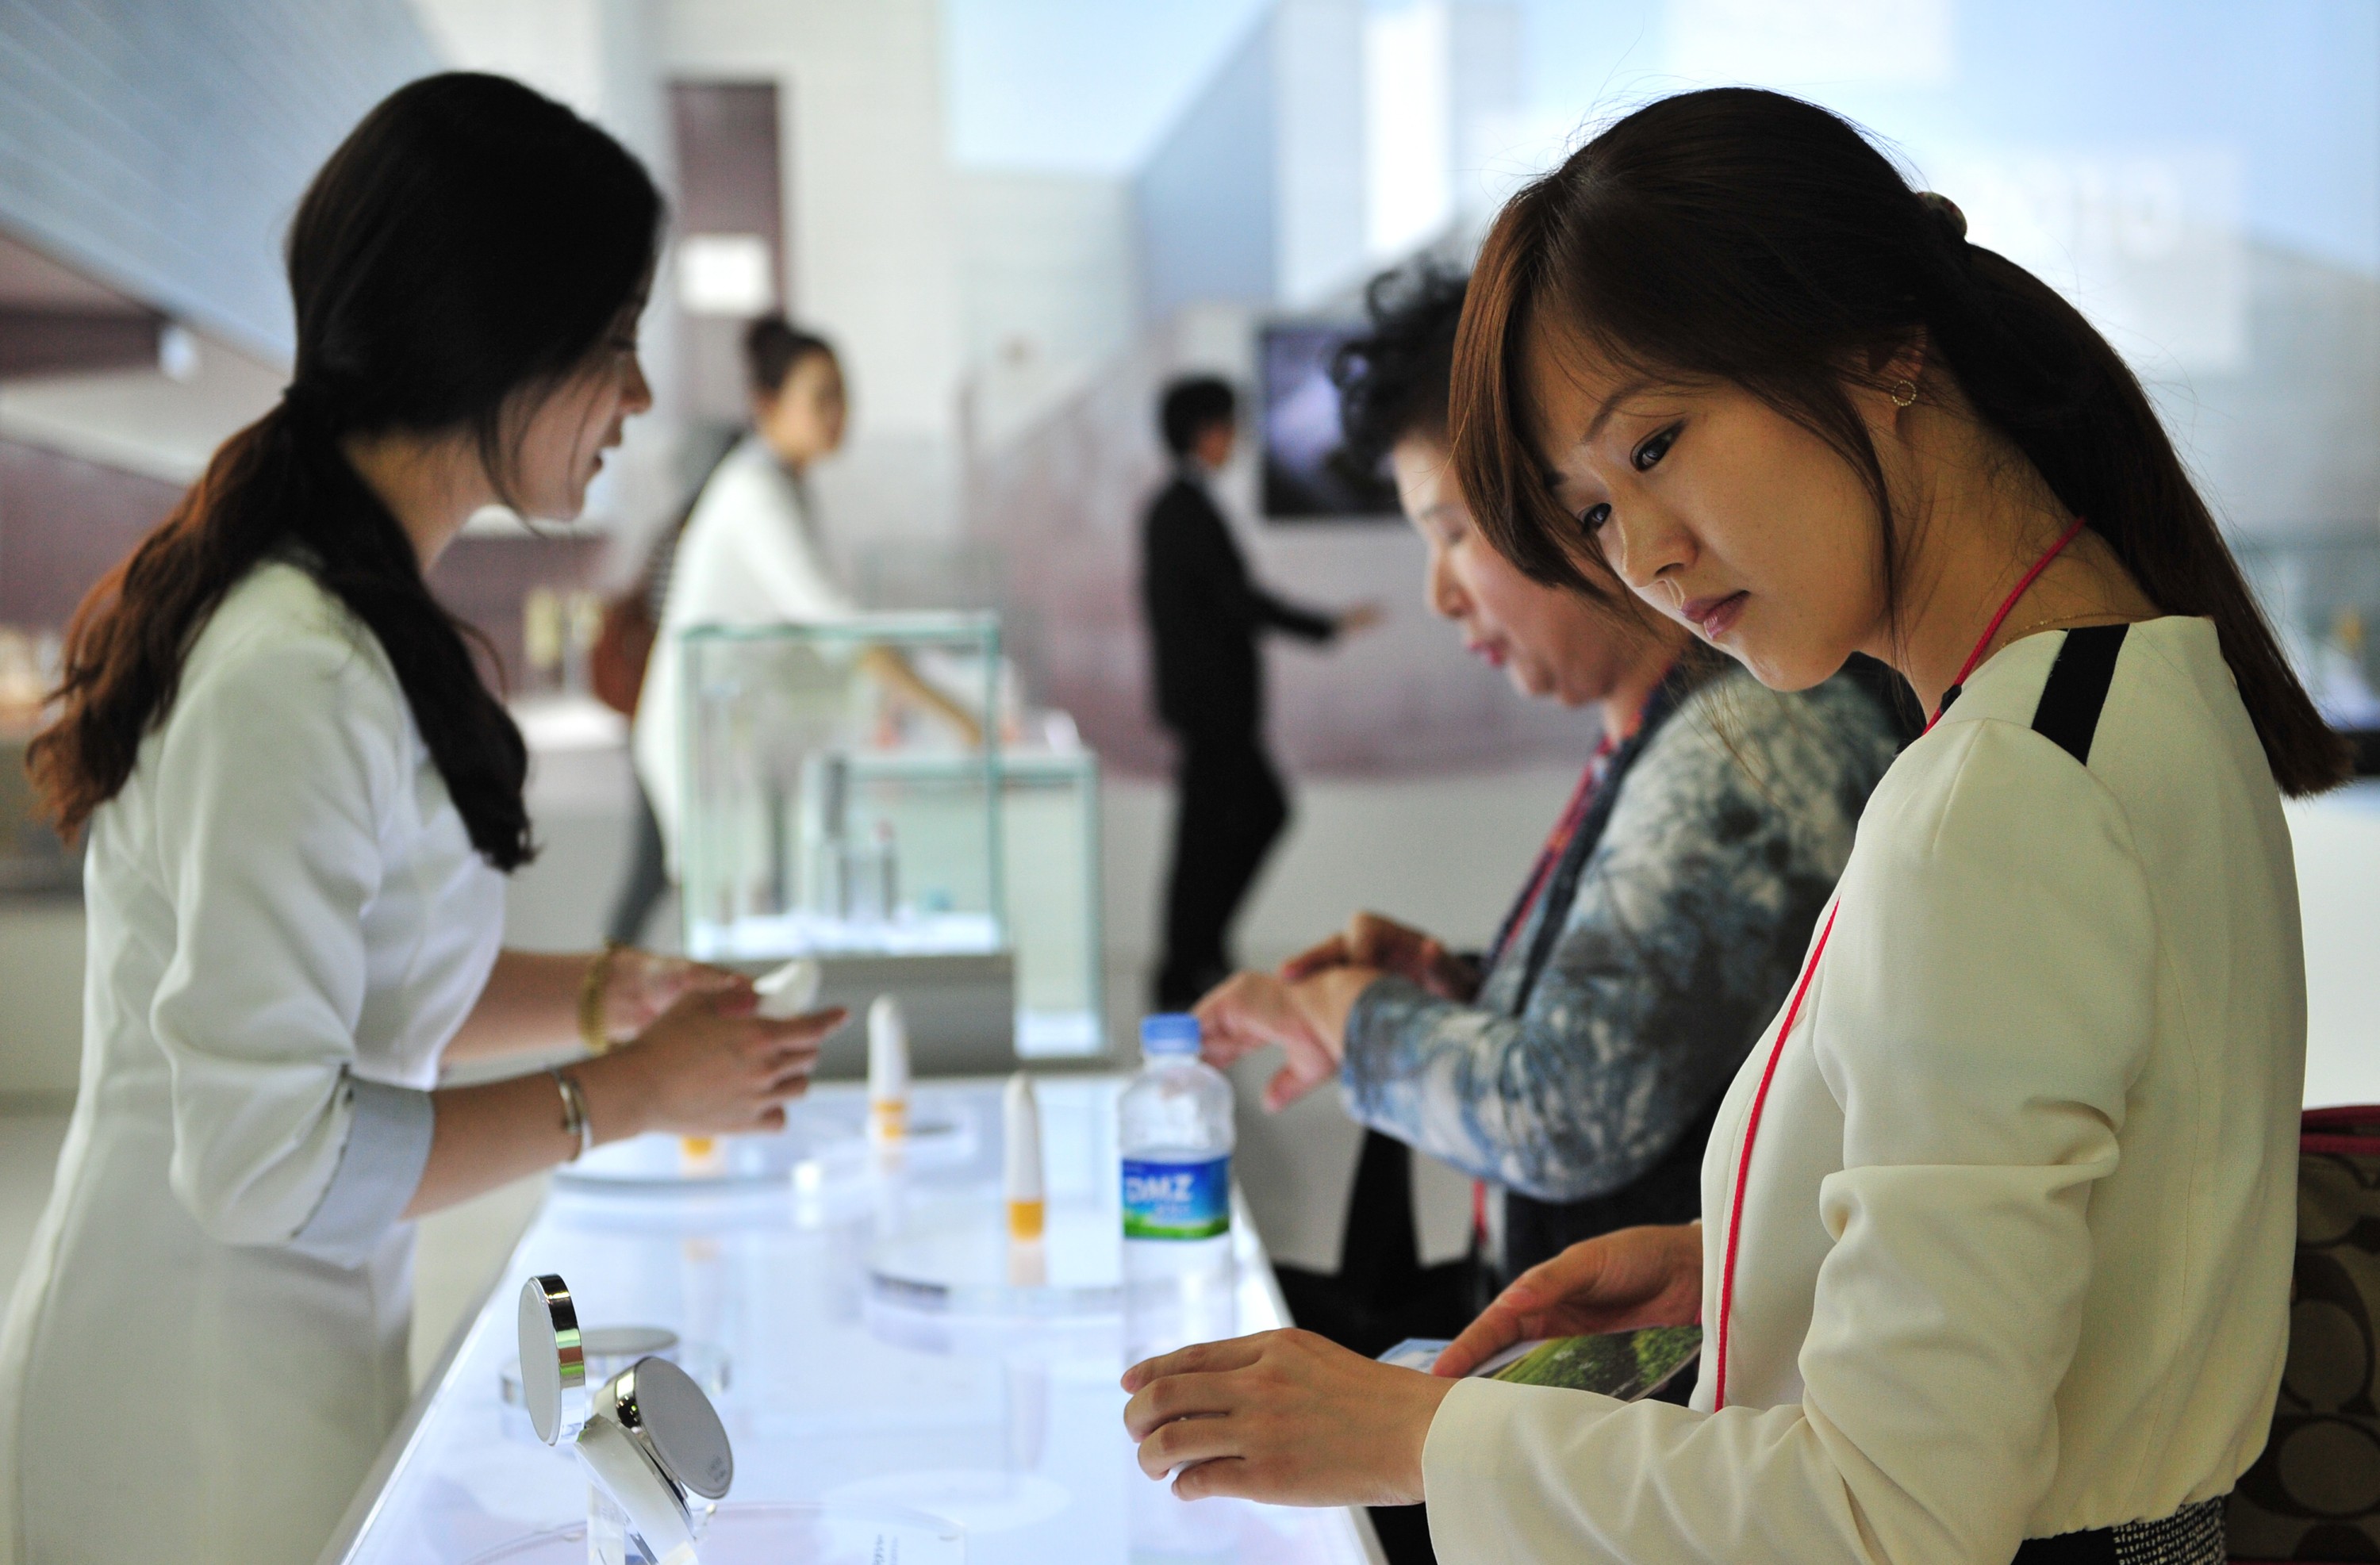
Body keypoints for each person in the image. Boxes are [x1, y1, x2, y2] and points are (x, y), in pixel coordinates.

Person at [1123, 86, 2340, 1565]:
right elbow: (2134, 1229)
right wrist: (1753, 1265)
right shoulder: (2148, 682)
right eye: (1586, 516)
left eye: (1656, 447)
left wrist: (1416, 1435)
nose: (1642, 554)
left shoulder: (2002, 794)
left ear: (1884, 342)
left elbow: (1888, 1515)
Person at [1, 75, 843, 1565]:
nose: (637, 399)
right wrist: (629, 1086)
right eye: (614, 344)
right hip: (190, 1414)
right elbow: (262, 1155)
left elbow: (363, 990)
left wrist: (606, 990)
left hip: (289, 1353)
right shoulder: (294, 670)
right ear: (496, 344)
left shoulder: (348, 623)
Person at [1192, 266, 1906, 1356]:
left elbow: (1563, 1110)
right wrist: (1465, 991)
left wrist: (1348, 1016)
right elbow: (1664, 1023)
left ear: (1570, 503)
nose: (1440, 594)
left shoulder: (1747, 744)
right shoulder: (1674, 727)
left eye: (1454, 533)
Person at [628, 317, 981, 892]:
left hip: (731, 728)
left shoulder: (783, 482)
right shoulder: (753, 490)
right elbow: (832, 622)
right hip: (701, 732)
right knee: (718, 905)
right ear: (767, 404)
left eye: (843, 394)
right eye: (822, 396)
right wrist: (954, 713)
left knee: (713, 898)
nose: (839, 413)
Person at [1142, 375, 1378, 1008]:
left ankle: (1192, 956)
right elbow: (1236, 601)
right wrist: (1326, 624)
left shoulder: (1183, 506)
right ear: (1204, 431)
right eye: (1228, 425)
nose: (1236, 439)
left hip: (1213, 709)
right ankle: (1188, 959)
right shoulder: (1182, 508)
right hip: (1212, 710)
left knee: (1213, 835)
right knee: (1239, 824)